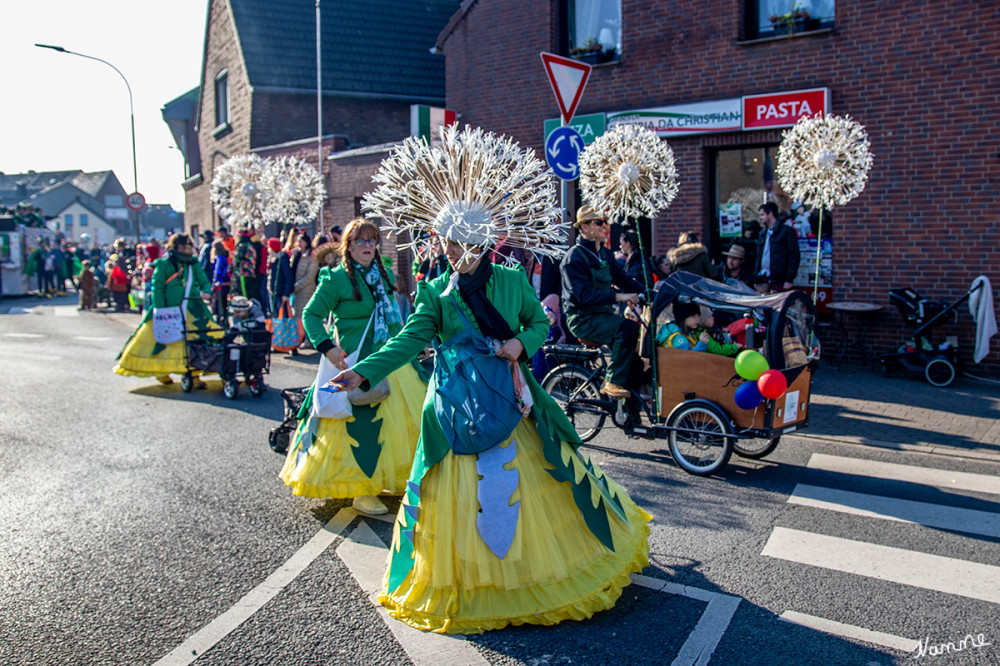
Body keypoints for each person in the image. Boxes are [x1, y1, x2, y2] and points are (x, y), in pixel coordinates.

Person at [330, 125, 650, 635]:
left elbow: (540, 322)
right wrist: (361, 371)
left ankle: (537, 571)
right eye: (449, 243)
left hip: (509, 390)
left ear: (483, 240)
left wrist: (521, 344)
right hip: (455, 401)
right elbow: (409, 342)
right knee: (453, 485)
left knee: (536, 473)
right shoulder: (436, 291)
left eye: (466, 243)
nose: (457, 252)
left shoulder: (510, 279)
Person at [280, 218, 424, 518]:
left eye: (372, 240)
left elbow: (393, 318)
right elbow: (311, 315)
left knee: (397, 425)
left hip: (388, 360)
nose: (368, 246)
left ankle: (383, 481)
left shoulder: (380, 274)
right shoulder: (335, 279)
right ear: (348, 246)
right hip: (353, 362)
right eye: (360, 241)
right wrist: (328, 348)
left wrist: (410, 347)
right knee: (356, 423)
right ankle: (360, 489)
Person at [113, 233, 222, 386]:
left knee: (196, 342)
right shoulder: (164, 264)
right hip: (168, 312)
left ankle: (194, 373)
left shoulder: (193, 263)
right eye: (185, 246)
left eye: (189, 246)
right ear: (176, 246)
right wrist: (161, 311)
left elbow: (203, 281)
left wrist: (206, 292)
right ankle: (161, 371)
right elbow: (158, 288)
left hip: (192, 309)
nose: (188, 249)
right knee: (163, 342)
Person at [561, 204, 645, 399]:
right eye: (599, 222)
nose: (604, 226)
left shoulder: (605, 254)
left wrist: (648, 291)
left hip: (603, 316)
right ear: (584, 227)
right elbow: (583, 296)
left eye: (605, 222)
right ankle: (612, 382)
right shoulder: (574, 257)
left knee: (636, 365)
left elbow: (623, 279)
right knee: (627, 328)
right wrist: (620, 296)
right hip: (582, 320)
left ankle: (630, 420)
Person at [656, 301, 739, 355]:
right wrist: (702, 343)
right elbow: (688, 359)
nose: (697, 319)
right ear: (683, 318)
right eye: (693, 316)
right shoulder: (678, 337)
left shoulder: (689, 332)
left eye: (698, 316)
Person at [755, 202, 800, 292]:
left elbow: (794, 256)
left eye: (762, 214)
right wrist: (755, 277)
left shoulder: (786, 231)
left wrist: (789, 279)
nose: (760, 218)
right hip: (763, 276)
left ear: (770, 214)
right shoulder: (763, 233)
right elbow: (759, 256)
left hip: (779, 279)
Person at [290, 232, 318, 350]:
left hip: (306, 289)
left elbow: (310, 275)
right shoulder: (297, 255)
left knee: (306, 315)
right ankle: (301, 339)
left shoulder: (312, 256)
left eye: (301, 241)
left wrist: (297, 286)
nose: (299, 244)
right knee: (298, 316)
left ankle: (309, 340)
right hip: (297, 289)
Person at [232, 228, 257, 299]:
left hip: (243, 273)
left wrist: (232, 268)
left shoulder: (243, 246)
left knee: (244, 295)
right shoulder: (250, 244)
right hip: (250, 273)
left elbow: (238, 259)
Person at [211, 240, 231, 326]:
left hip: (220, 284)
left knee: (219, 304)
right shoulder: (224, 257)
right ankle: (225, 321)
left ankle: (221, 322)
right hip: (226, 282)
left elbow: (217, 270)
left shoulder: (218, 257)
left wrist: (215, 282)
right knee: (224, 303)